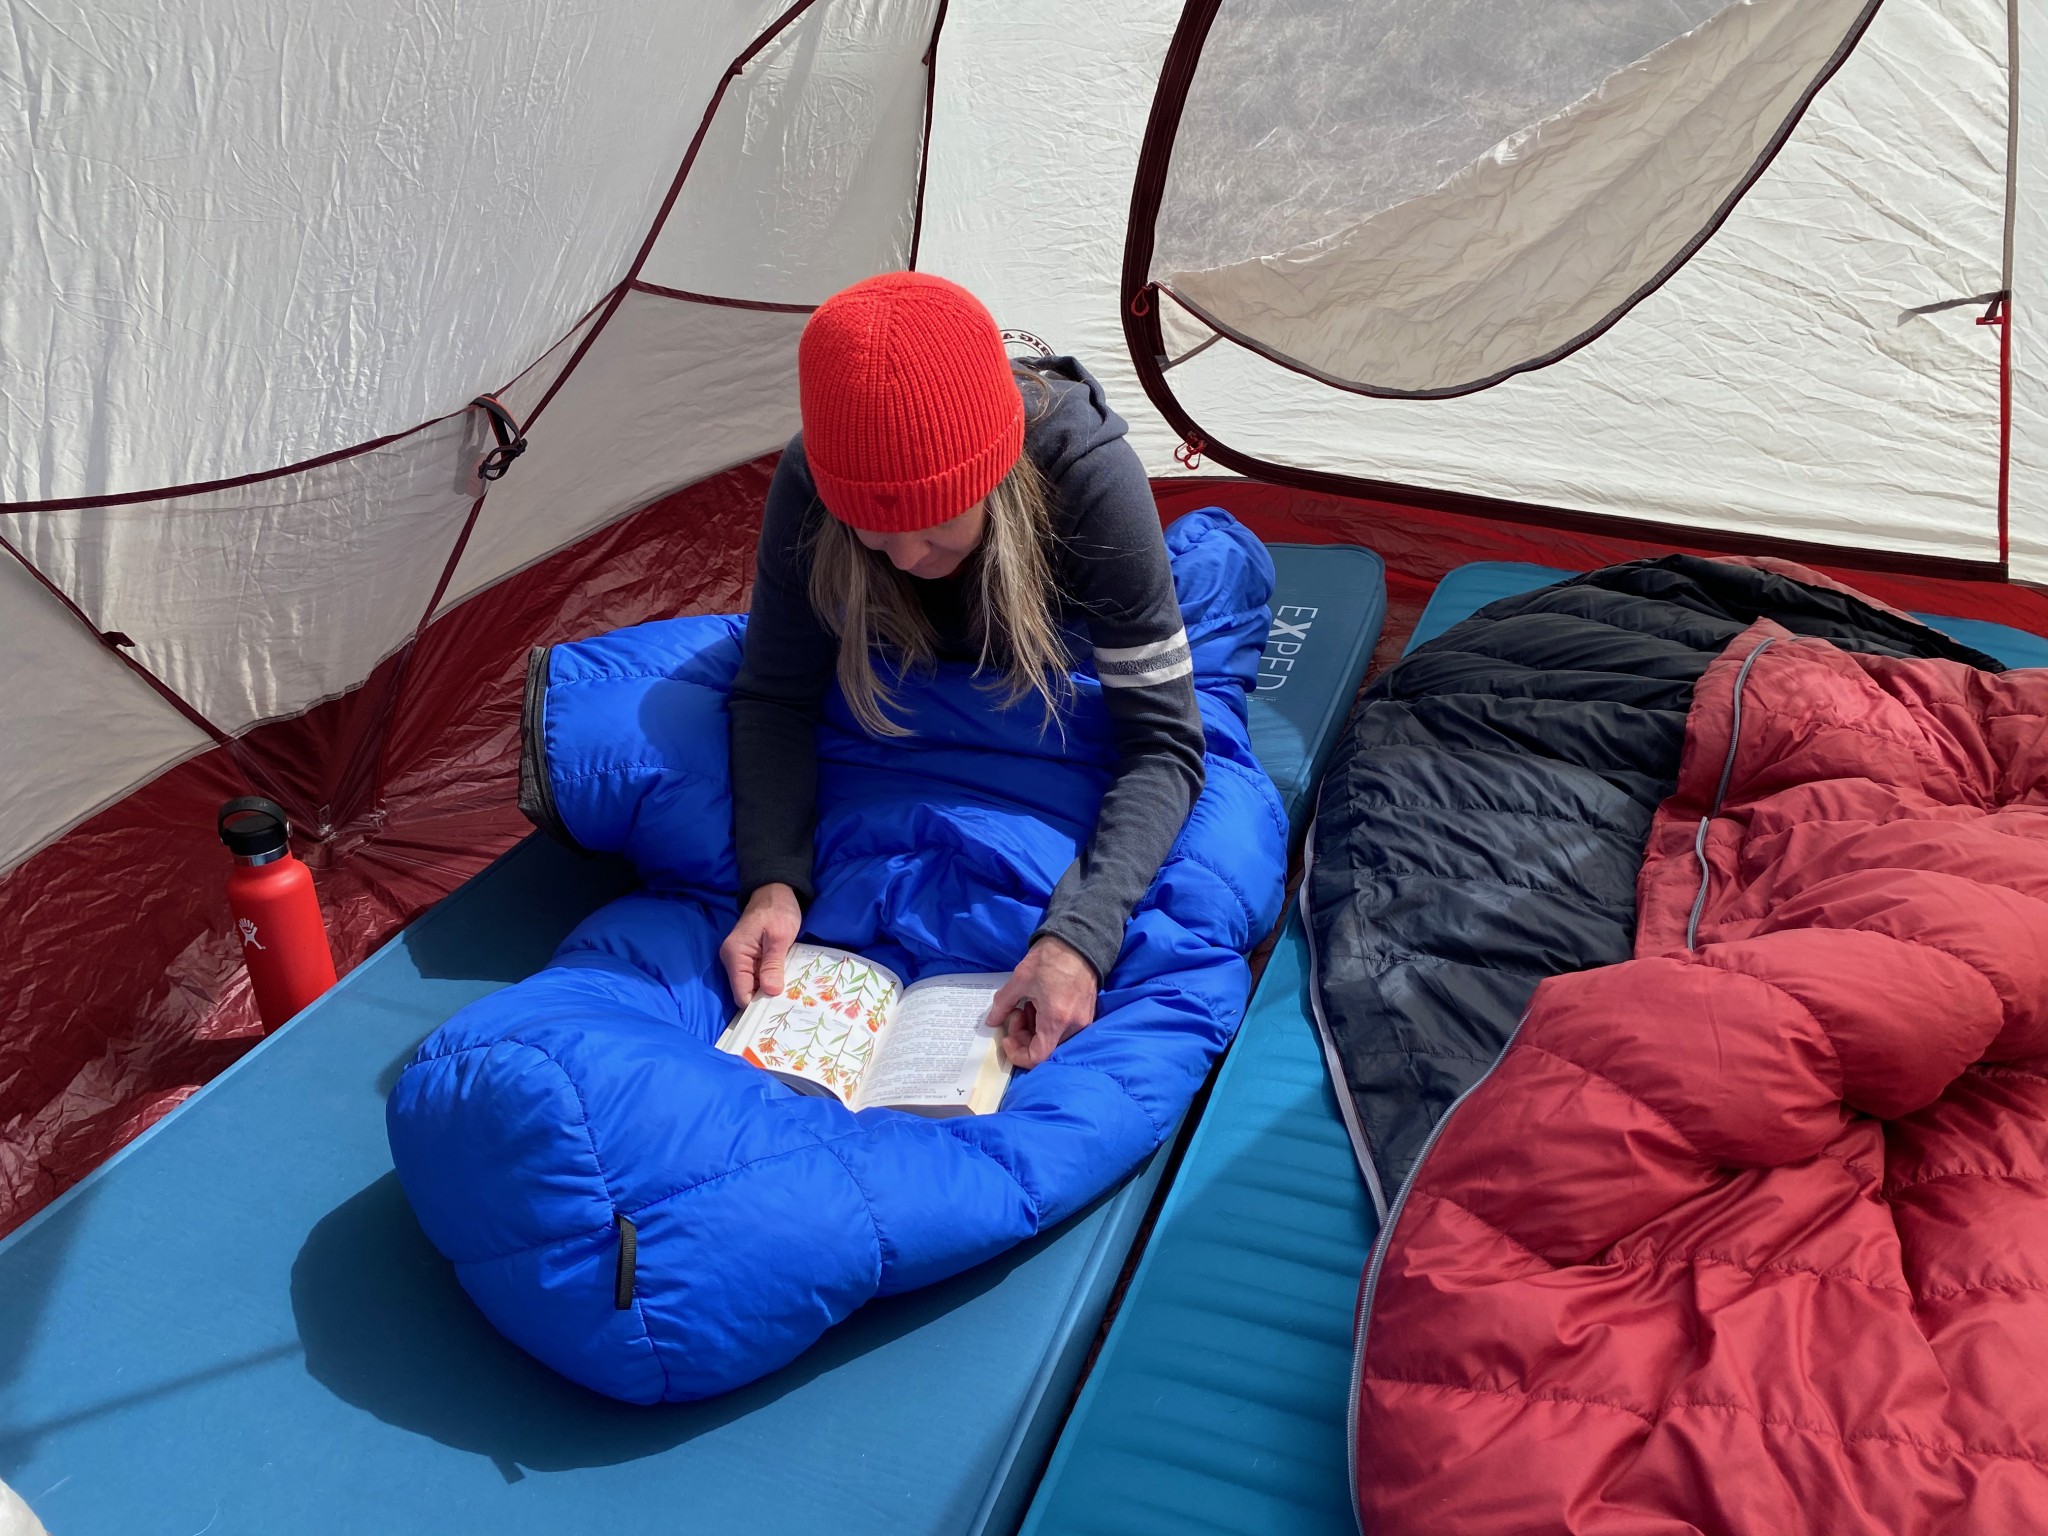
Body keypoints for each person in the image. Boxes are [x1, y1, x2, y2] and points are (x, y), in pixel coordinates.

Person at [717, 272, 1206, 1069]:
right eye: (872, 531)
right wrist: (772, 881)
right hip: (905, 712)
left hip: (1053, 687)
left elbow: (1164, 743)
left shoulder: (1091, 480)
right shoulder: (812, 477)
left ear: (996, 475)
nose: (906, 556)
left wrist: (1080, 938)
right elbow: (773, 696)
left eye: (935, 523)